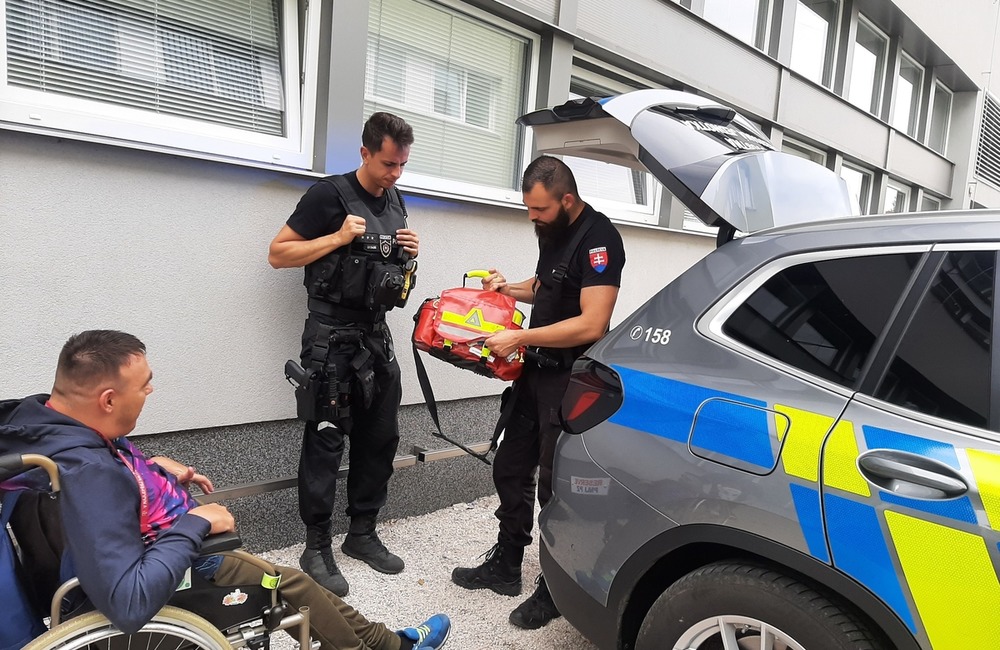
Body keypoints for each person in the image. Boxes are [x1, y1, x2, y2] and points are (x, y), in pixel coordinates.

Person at [0, 330, 450, 650]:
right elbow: (129, 603)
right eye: (144, 384)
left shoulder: (41, 422)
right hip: (182, 564)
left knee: (294, 581)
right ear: (108, 400)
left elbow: (106, 467)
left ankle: (388, 643)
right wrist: (197, 521)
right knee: (292, 585)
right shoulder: (92, 474)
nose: (151, 389)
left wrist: (151, 468)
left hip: (153, 543)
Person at [451, 156, 626, 629]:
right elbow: (548, 285)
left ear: (566, 200)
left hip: (569, 380)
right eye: (529, 208)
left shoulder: (600, 240)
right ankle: (506, 565)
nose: (532, 217)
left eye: (540, 209)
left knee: (555, 486)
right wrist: (508, 289)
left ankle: (555, 587)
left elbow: (592, 323)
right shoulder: (554, 231)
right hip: (535, 373)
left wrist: (520, 337)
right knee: (510, 468)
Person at [268, 112, 419, 597]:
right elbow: (277, 253)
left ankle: (362, 533)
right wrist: (336, 237)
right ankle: (315, 546)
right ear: (365, 153)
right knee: (326, 441)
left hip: (376, 337)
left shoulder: (395, 200)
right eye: (388, 164)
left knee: (380, 437)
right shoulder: (328, 196)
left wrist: (409, 252)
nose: (395, 174)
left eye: (402, 165)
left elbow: (389, 272)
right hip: (330, 338)